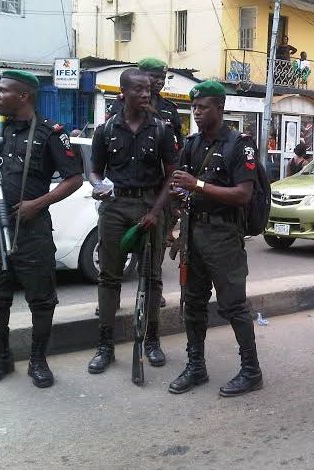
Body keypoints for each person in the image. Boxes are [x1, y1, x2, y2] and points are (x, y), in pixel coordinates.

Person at [0, 70, 83, 388]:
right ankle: (1, 360)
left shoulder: (50, 133)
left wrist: (40, 203)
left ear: (23, 96)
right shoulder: (0, 130)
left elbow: (74, 177)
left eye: (2, 91)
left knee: (41, 301)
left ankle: (38, 361)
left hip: (33, 232)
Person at [168, 80, 263, 397]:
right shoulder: (192, 144)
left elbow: (242, 194)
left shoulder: (240, 144)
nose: (196, 112)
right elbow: (183, 186)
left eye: (202, 107)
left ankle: (251, 371)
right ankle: (196, 366)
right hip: (194, 233)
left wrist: (196, 185)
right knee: (193, 303)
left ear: (220, 108)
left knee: (234, 306)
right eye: (193, 107)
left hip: (224, 234)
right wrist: (178, 193)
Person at [87, 68, 177, 374]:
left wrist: (156, 211)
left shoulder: (162, 130)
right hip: (115, 207)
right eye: (138, 90)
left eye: (148, 90)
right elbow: (95, 170)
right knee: (109, 277)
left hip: (150, 205)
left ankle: (152, 341)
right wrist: (98, 186)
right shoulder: (106, 130)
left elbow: (171, 176)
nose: (145, 94)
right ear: (123, 93)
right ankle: (105, 345)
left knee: (151, 279)